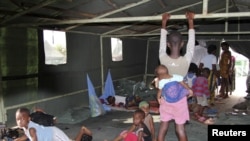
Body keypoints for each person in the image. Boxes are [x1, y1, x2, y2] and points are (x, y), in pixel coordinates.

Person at [154, 65, 193, 141]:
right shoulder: (176, 77)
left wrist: (158, 98)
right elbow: (184, 84)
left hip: (166, 105)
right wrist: (190, 90)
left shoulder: (162, 82)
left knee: (163, 126)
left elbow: (159, 92)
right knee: (180, 129)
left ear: (159, 76)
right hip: (180, 105)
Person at [159, 11, 195, 77]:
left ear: (168, 44)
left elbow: (162, 44)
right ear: (182, 44)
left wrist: (164, 21)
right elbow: (191, 45)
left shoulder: (163, 58)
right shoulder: (186, 61)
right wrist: (190, 20)